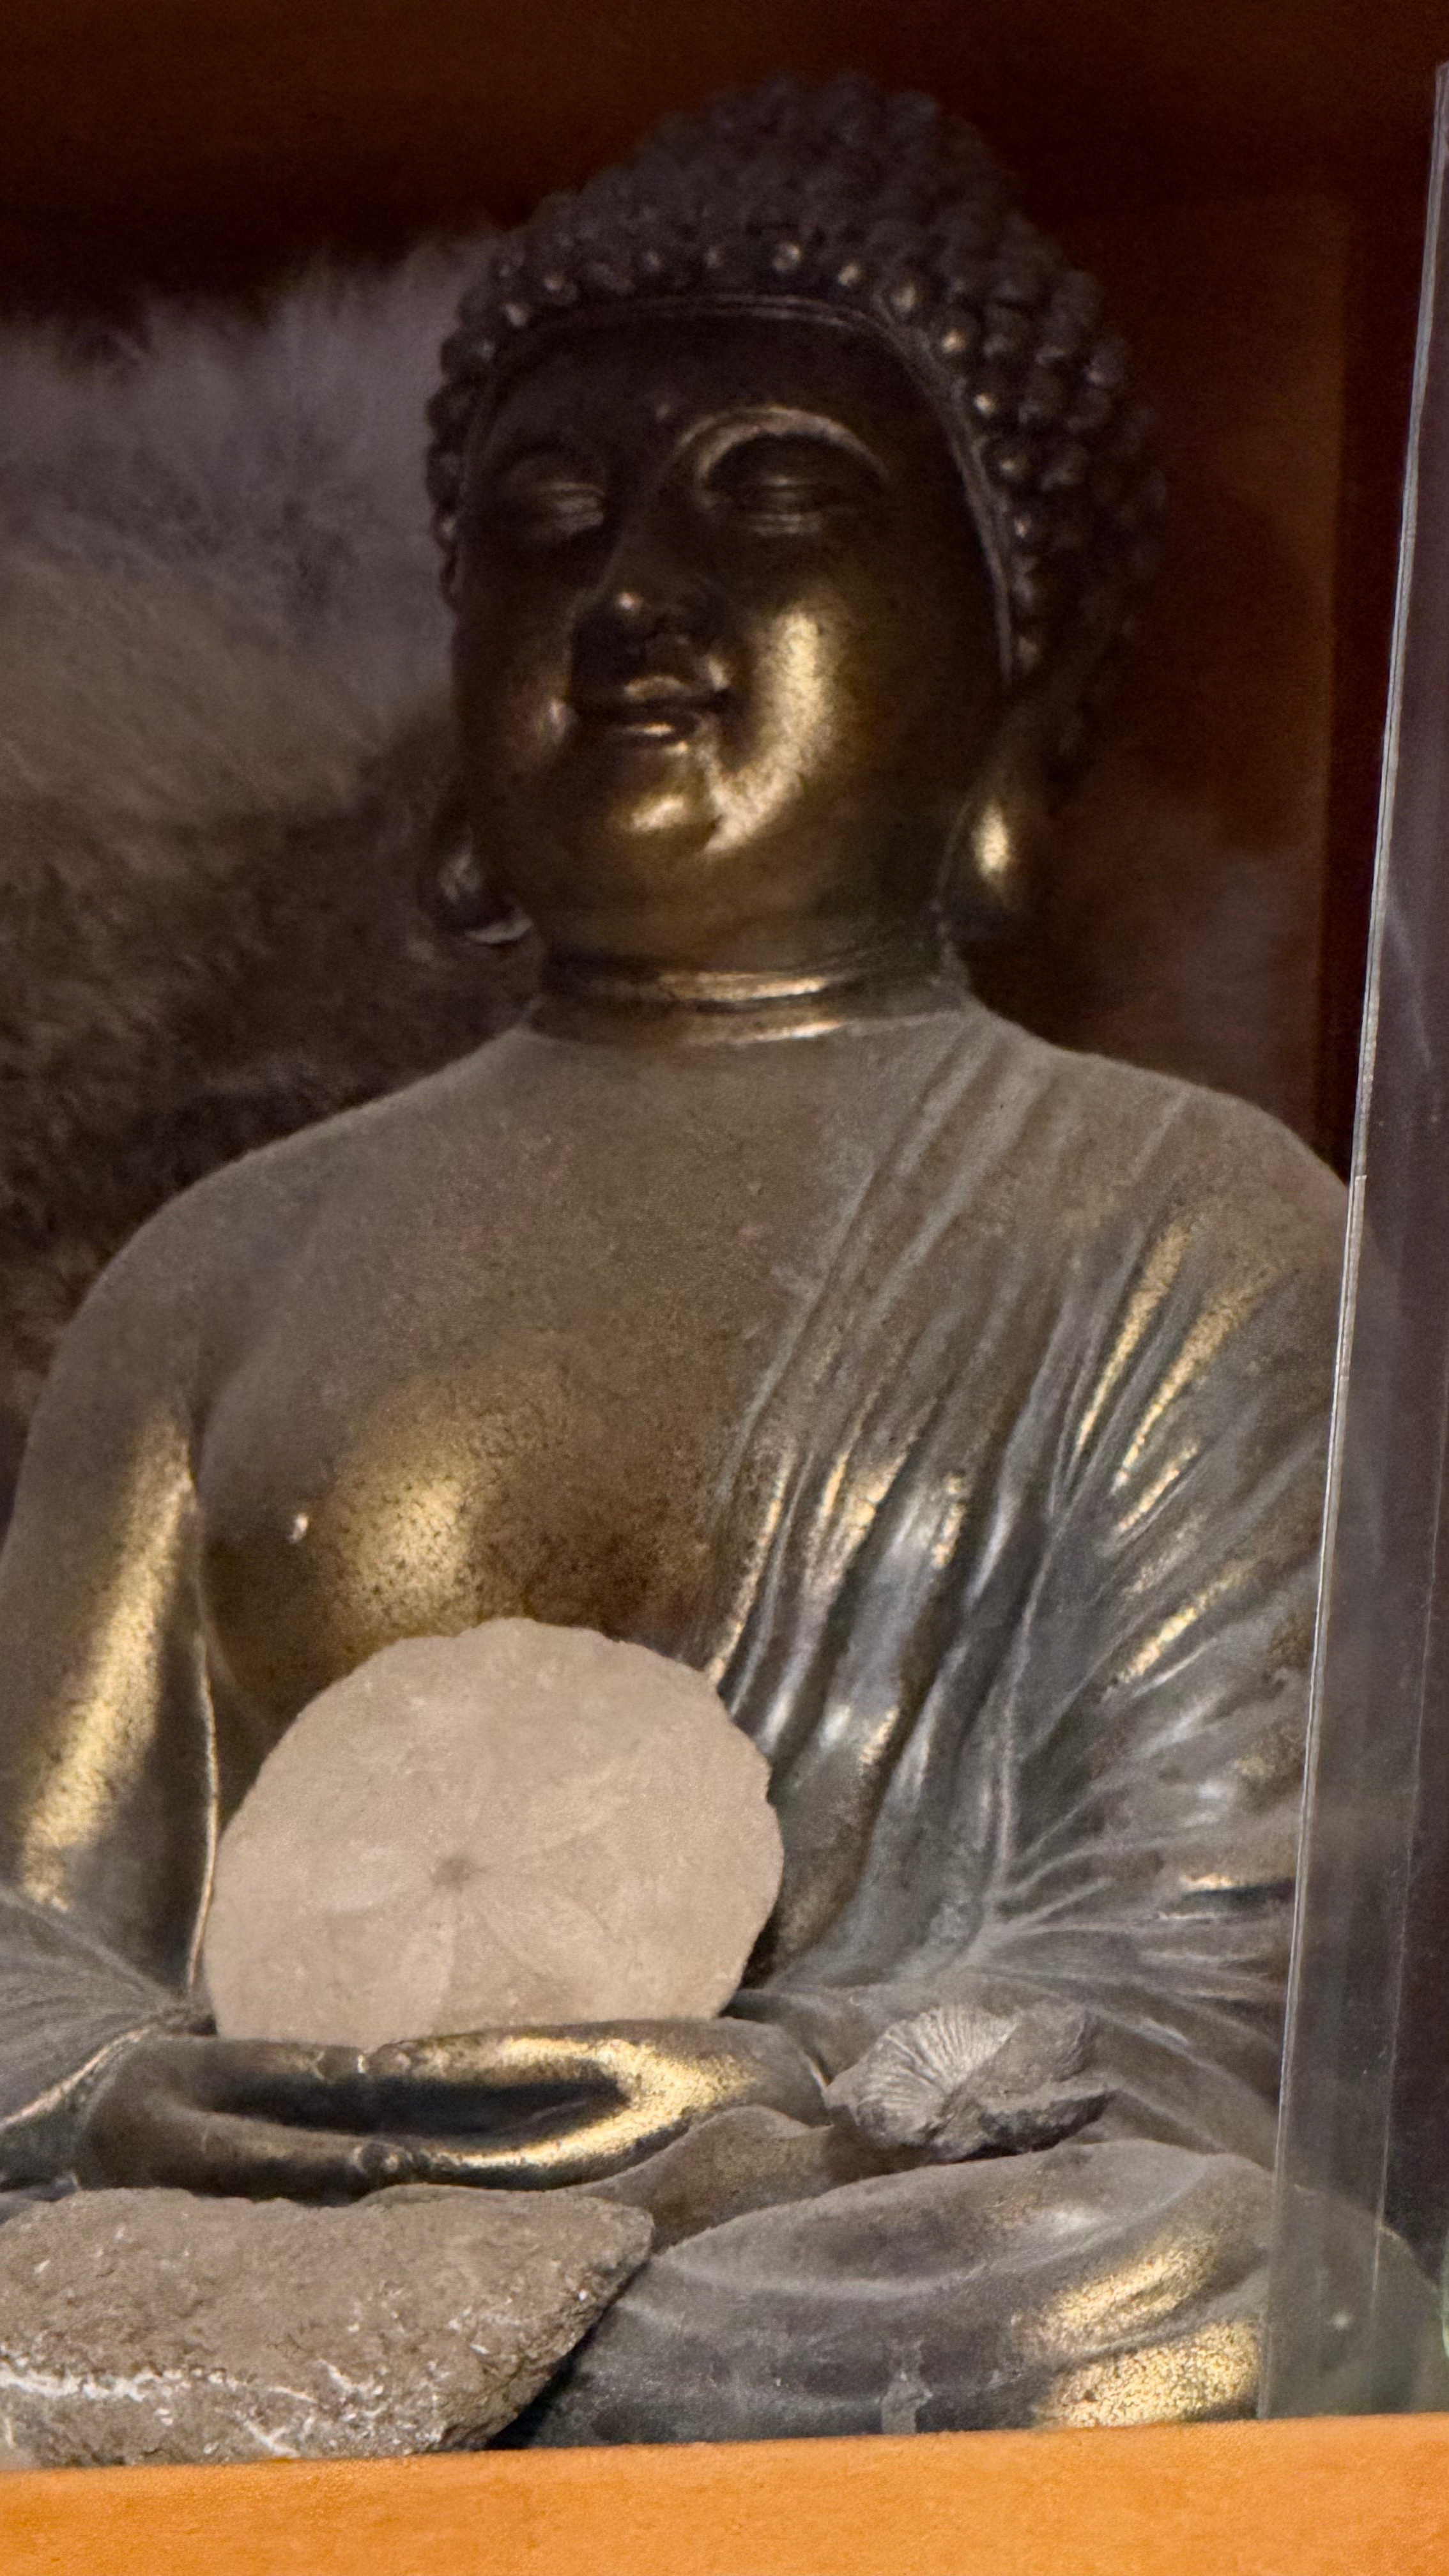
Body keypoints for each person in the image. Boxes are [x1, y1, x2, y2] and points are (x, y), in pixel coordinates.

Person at [0, 77, 1345, 2439]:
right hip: (250, 2227)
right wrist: (134, 2094)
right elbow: (29, 1936)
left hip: (819, 2245)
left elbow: (1221, 1974)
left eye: (774, 499)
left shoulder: (1187, 1225)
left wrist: (766, 2096)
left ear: (1013, 663)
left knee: (1208, 2290)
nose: (629, 593)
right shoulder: (224, 1265)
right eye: (544, 522)